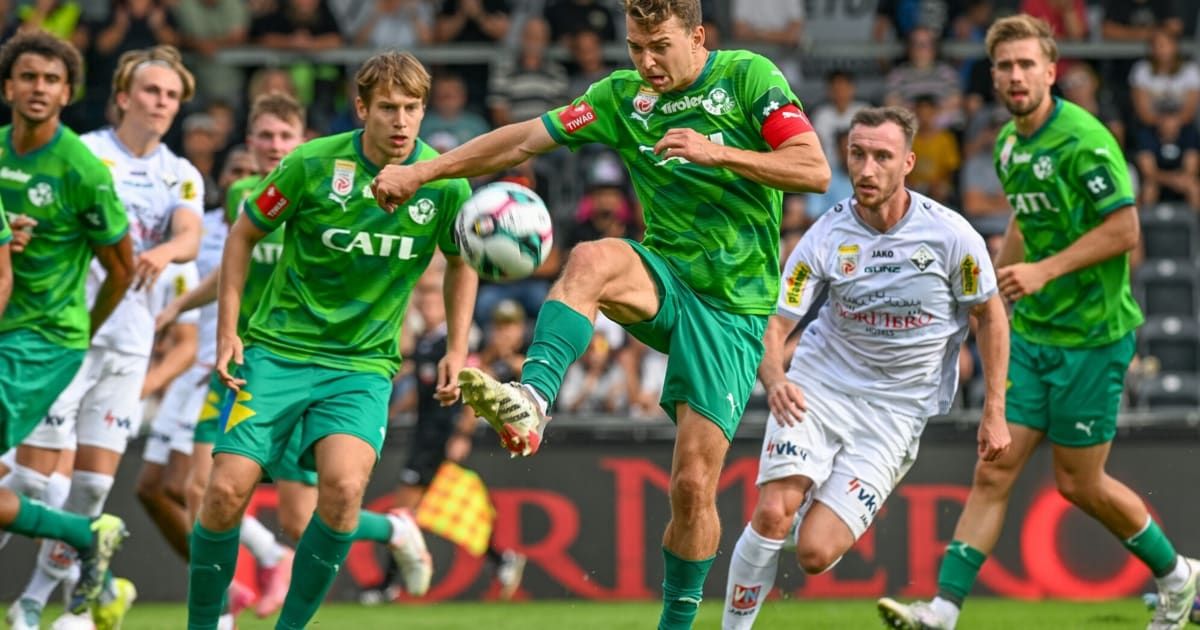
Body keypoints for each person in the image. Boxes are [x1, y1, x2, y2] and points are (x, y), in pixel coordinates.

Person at [371, 1, 830, 626]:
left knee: (692, 486)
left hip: (734, 309)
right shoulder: (621, 95)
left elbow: (812, 167)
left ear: (697, 38)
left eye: (659, 47)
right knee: (590, 259)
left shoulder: (749, 78)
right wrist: (425, 170)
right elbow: (525, 137)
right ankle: (532, 399)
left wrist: (715, 152)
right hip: (665, 278)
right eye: (635, 47)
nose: (646, 62)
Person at [877, 15, 1198, 630]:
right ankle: (942, 611)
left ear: (1051, 72)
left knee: (1080, 484)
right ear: (993, 76)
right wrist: (991, 286)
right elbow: (1025, 218)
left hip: (1093, 340)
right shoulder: (1008, 145)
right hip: (1033, 338)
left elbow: (1126, 229)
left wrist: (1047, 272)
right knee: (992, 468)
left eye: (1028, 64)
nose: (1016, 75)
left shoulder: (1084, 140)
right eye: (1005, 66)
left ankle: (1179, 576)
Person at [186, 51, 475, 629]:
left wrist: (457, 347)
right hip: (276, 352)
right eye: (388, 107)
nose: (401, 121)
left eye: (412, 109)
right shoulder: (311, 165)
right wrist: (226, 334)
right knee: (222, 494)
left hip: (362, 366)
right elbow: (243, 235)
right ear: (361, 107)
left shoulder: (445, 184)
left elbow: (463, 258)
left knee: (341, 495)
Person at [721, 105, 1009, 629]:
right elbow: (775, 327)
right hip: (819, 388)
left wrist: (995, 409)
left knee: (813, 552)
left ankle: (809, 501)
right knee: (771, 513)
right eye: (858, 154)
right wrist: (775, 378)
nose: (867, 169)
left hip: (897, 413)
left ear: (908, 164)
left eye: (882, 157)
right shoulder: (825, 236)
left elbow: (990, 317)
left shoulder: (951, 236)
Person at [5, 44, 204, 629]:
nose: (161, 103)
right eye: (151, 90)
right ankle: (74, 590)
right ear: (122, 97)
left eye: (171, 95)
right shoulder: (85, 156)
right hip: (66, 333)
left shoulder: (180, 175)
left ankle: (49, 605)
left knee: (91, 488)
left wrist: (166, 249)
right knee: (35, 482)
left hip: (129, 342)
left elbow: (189, 237)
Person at [0, 29, 133, 618]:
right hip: (8, 330)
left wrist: (79, 331)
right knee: (24, 479)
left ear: (67, 93)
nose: (38, 88)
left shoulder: (82, 169)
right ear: (8, 86)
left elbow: (122, 269)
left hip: (43, 338)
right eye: (28, 76)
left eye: (51, 80)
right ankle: (85, 536)